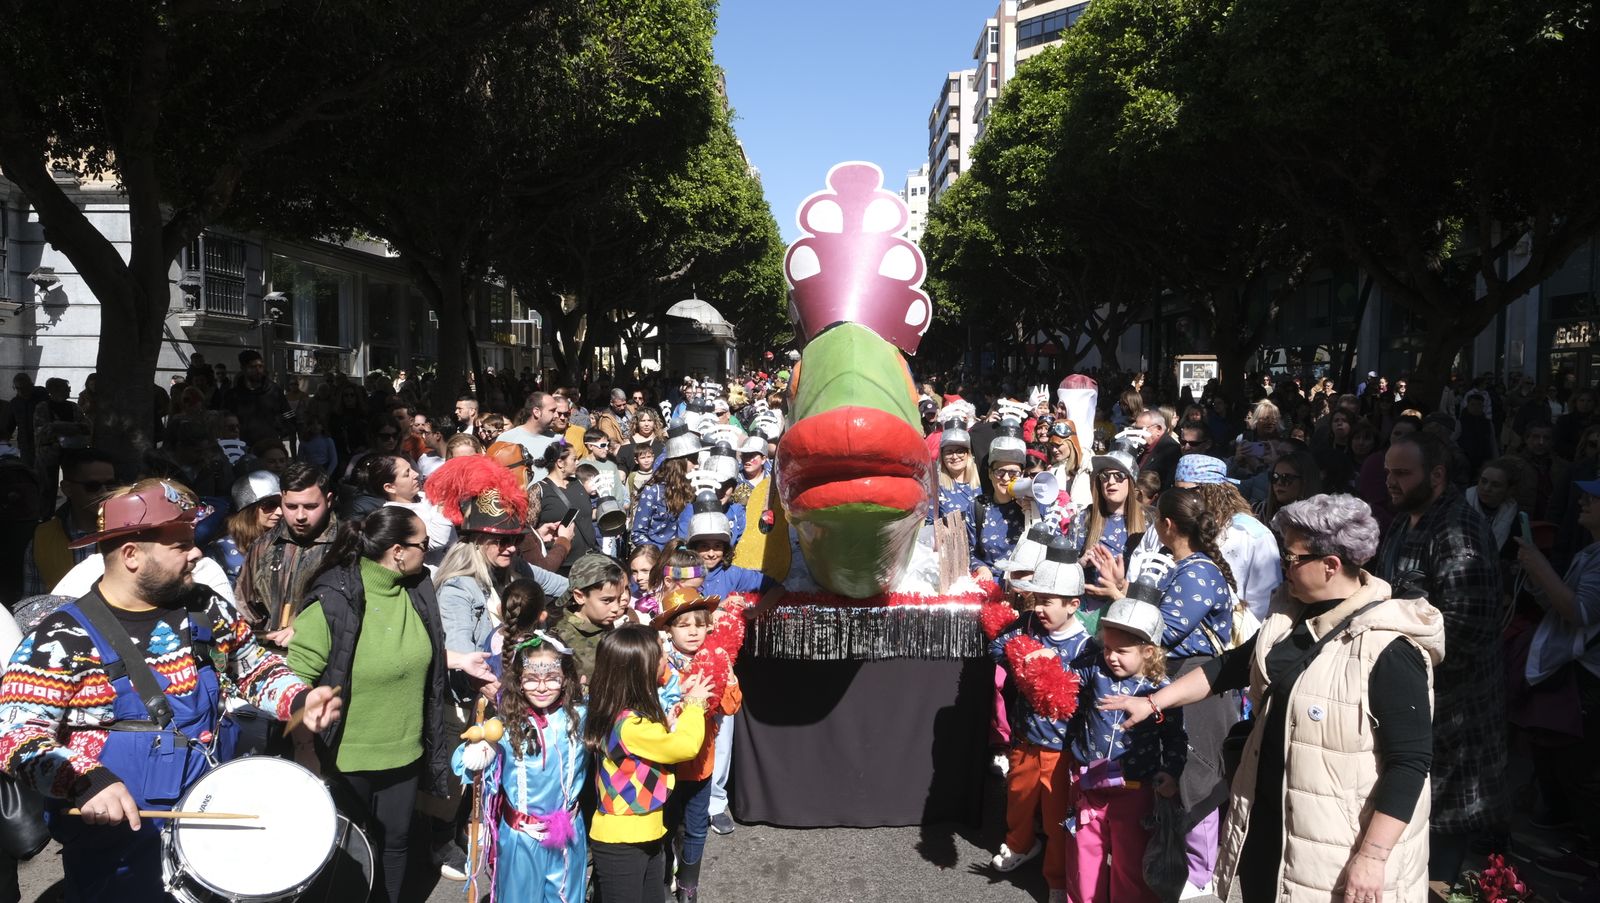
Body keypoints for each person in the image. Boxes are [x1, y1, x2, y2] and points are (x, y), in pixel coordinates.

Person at [0, 478, 341, 903]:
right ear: (131, 556)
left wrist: (299, 699)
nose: (197, 551)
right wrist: (84, 779)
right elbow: (17, 736)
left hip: (211, 826)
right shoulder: (61, 638)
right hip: (118, 849)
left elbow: (254, 668)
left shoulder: (203, 606)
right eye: (180, 544)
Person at [1103, 494, 1442, 903]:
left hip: (1337, 844)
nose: (1284, 566)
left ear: (1330, 564)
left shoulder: (1390, 648)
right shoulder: (1289, 616)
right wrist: (1154, 702)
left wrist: (1372, 856)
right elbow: (1229, 667)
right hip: (1271, 825)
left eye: (1294, 557)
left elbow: (1411, 762)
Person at [287, 507, 485, 903]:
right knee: (346, 855)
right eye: (423, 546)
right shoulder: (335, 598)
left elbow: (418, 648)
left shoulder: (418, 587)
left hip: (405, 753)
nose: (428, 554)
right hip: (344, 759)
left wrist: (462, 661)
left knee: (396, 845)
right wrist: (304, 749)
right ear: (397, 551)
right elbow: (295, 680)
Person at [1377, 431, 1505, 883]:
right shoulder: (1403, 518)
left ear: (1436, 475)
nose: (1390, 481)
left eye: (1402, 473)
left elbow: (1467, 631)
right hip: (1415, 706)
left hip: (1453, 716)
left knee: (1437, 854)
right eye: (1388, 472)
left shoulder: (1459, 529)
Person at [1063, 579, 1187, 903]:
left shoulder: (1160, 692)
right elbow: (1067, 681)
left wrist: (1172, 772)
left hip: (1134, 790)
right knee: (1083, 858)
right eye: (1107, 647)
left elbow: (1174, 737)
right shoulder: (1095, 670)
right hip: (1088, 784)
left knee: (1129, 865)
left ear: (1148, 651)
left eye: (1121, 651)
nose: (1111, 657)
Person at [987, 544, 1091, 902]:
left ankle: (1057, 877)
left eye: (1050, 601)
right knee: (1017, 797)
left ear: (1073, 604)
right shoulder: (1029, 623)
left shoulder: (1085, 646)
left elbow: (1086, 695)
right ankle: (1020, 843)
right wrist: (1024, 654)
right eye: (1038, 599)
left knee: (1055, 817)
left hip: (1060, 750)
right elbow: (998, 646)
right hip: (1024, 738)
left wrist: (1056, 670)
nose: (1040, 608)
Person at [452, 628, 589, 902]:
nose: (541, 687)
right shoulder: (503, 725)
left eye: (551, 678)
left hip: (569, 832)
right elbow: (465, 767)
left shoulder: (581, 715)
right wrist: (477, 753)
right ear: (518, 680)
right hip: (521, 837)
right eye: (531, 679)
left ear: (566, 679)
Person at [1513, 478, 1600, 889]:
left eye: (1594, 496)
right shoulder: (1590, 551)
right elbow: (1560, 605)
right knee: (1571, 767)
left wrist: (1539, 566)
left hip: (1589, 678)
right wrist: (1536, 578)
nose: (1583, 500)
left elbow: (1579, 611)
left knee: (1585, 772)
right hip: (1576, 671)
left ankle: (1591, 862)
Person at [582, 624, 711, 903]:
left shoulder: (623, 711)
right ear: (641, 669)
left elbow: (656, 740)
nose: (666, 657)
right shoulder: (630, 724)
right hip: (622, 843)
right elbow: (683, 747)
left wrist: (675, 713)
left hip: (648, 830)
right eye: (661, 654)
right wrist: (694, 706)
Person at [652, 587, 743, 903]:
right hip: (664, 765)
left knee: (695, 828)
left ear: (708, 626)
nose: (692, 631)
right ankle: (662, 883)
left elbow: (731, 707)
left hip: (700, 763)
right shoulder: (660, 665)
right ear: (668, 629)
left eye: (698, 624)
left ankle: (688, 885)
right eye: (682, 624)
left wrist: (728, 679)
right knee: (664, 829)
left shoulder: (717, 659)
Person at [235, 461, 340, 646]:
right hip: (273, 657)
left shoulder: (348, 545)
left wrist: (306, 629)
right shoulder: (263, 546)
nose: (300, 516)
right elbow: (244, 604)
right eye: (291, 507)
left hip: (326, 654)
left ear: (329, 500)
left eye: (310, 506)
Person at [1174, 454, 1282, 622]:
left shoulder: (1250, 534)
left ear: (1209, 491)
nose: (1179, 499)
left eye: (1184, 492)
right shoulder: (1171, 523)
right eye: (1175, 491)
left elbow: (1263, 600)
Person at [22, 447, 116, 596]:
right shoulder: (42, 538)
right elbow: (32, 603)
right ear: (67, 488)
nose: (104, 492)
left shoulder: (130, 533)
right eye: (92, 486)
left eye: (111, 485)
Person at [551, 553, 630, 686]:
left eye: (618, 599)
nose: (616, 608)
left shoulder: (606, 623)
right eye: (607, 600)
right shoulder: (561, 639)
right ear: (579, 596)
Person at [373, 454, 456, 564]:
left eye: (411, 469)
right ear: (390, 487)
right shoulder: (393, 516)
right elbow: (435, 541)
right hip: (441, 575)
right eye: (407, 474)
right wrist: (442, 506)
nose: (416, 474)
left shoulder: (422, 495)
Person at [631, 424, 701, 549]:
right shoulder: (653, 490)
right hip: (660, 559)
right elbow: (638, 534)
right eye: (693, 460)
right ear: (679, 463)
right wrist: (660, 556)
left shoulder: (696, 488)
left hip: (688, 559)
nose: (697, 465)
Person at [208, 470, 282, 586]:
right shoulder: (220, 550)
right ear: (248, 510)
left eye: (283, 504)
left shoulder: (284, 541)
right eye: (269, 505)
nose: (280, 512)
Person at [535, 441, 600, 571]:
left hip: (588, 560)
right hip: (561, 565)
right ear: (560, 463)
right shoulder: (539, 490)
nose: (578, 462)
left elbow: (585, 514)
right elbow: (529, 532)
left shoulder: (578, 484)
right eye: (574, 459)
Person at [223, 349, 290, 446]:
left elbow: (287, 412)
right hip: (243, 447)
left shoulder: (274, 390)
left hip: (270, 445)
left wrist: (282, 432)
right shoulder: (232, 395)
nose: (258, 371)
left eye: (260, 366)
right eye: (253, 367)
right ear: (243, 368)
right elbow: (225, 421)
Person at [498, 392, 561, 482]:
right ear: (536, 412)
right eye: (552, 411)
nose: (556, 416)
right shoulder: (507, 439)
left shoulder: (560, 439)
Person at [1260, 446, 1322, 521]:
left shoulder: (1321, 518)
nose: (1279, 483)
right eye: (1275, 477)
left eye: (1287, 478)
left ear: (1304, 481)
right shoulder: (1259, 511)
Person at [1135, 409, 1181, 490]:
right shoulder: (1141, 446)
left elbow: (1166, 484)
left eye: (1141, 429)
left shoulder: (1171, 450)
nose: (1137, 433)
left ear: (1158, 429)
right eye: (1136, 429)